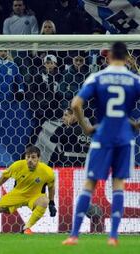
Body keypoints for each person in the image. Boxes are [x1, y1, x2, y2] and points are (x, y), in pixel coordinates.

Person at [63, 42, 140, 246]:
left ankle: (73, 236)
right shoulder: (134, 79)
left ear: (108, 57)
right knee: (118, 185)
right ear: (126, 58)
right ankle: (113, 237)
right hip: (124, 137)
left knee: (90, 184)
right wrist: (136, 124)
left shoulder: (98, 77)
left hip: (103, 135)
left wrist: (86, 128)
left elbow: (76, 104)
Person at [0, 146, 56, 234]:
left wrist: (51, 203)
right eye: (27, 157)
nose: (30, 160)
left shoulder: (47, 172)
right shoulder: (17, 165)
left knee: (44, 201)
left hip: (35, 196)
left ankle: (26, 228)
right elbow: (5, 176)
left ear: (39, 158)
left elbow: (51, 187)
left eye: (33, 157)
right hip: (16, 195)